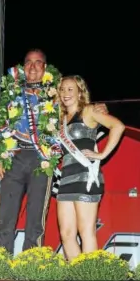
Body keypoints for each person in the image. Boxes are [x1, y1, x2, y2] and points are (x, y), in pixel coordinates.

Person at [0, 49, 108, 255]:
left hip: (42, 159)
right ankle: (1, 259)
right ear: (23, 66)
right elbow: (1, 123)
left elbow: (76, 101)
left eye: (38, 63)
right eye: (28, 62)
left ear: (45, 67)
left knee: (37, 215)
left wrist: (98, 106)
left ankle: (32, 261)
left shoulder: (55, 90)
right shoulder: (11, 90)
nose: (33, 67)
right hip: (13, 157)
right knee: (6, 214)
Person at [56, 75, 124, 261]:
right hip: (66, 179)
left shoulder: (88, 111)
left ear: (80, 92)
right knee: (67, 234)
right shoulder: (59, 119)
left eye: (70, 89)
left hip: (85, 177)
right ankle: (80, 274)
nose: (65, 93)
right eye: (62, 89)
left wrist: (102, 155)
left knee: (86, 232)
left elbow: (118, 126)